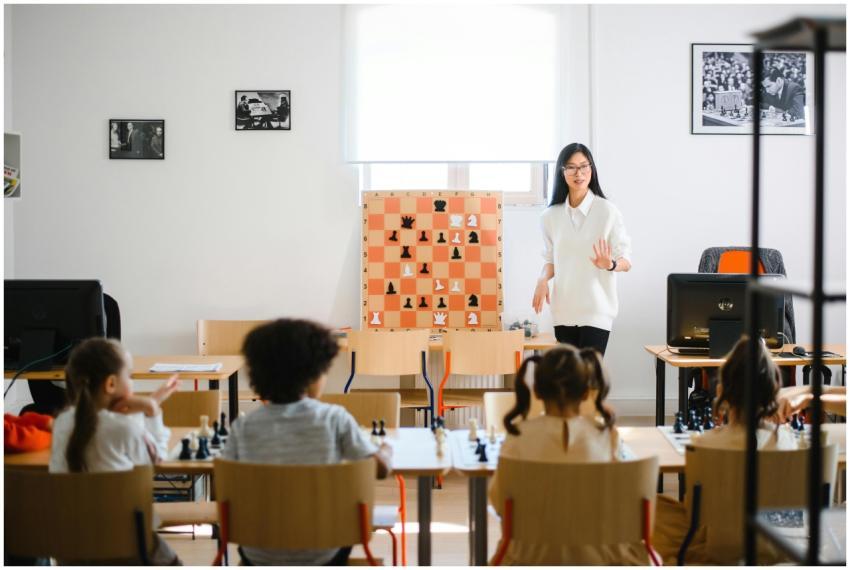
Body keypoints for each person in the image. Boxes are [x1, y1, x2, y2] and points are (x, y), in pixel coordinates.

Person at [221, 319, 392, 566]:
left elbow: (224, 488)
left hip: (257, 553)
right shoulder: (334, 418)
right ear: (313, 375)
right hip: (324, 551)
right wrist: (385, 449)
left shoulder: (243, 427)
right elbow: (380, 469)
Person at [488, 345, 647, 565]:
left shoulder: (518, 436)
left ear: (537, 391)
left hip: (528, 558)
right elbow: (621, 503)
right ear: (585, 392)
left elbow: (499, 502)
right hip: (596, 557)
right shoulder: (604, 436)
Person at [653, 337, 798, 565]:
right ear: (775, 389)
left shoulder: (704, 444)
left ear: (721, 390)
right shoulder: (792, 443)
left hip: (719, 550)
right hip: (780, 548)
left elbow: (694, 511)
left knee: (655, 508)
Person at [48, 338, 181, 565]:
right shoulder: (124, 428)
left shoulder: (61, 423)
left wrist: (152, 400)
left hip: (71, 549)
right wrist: (152, 411)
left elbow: (105, 425)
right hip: (125, 547)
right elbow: (157, 457)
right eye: (129, 376)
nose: (132, 382)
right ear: (111, 384)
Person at [532, 143, 632, 356]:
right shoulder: (550, 216)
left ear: (592, 169)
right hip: (564, 310)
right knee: (568, 380)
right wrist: (542, 280)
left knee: (589, 378)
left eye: (584, 166)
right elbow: (551, 260)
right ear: (562, 172)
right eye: (572, 167)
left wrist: (610, 264)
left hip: (597, 309)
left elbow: (626, 261)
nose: (579, 173)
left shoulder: (607, 212)